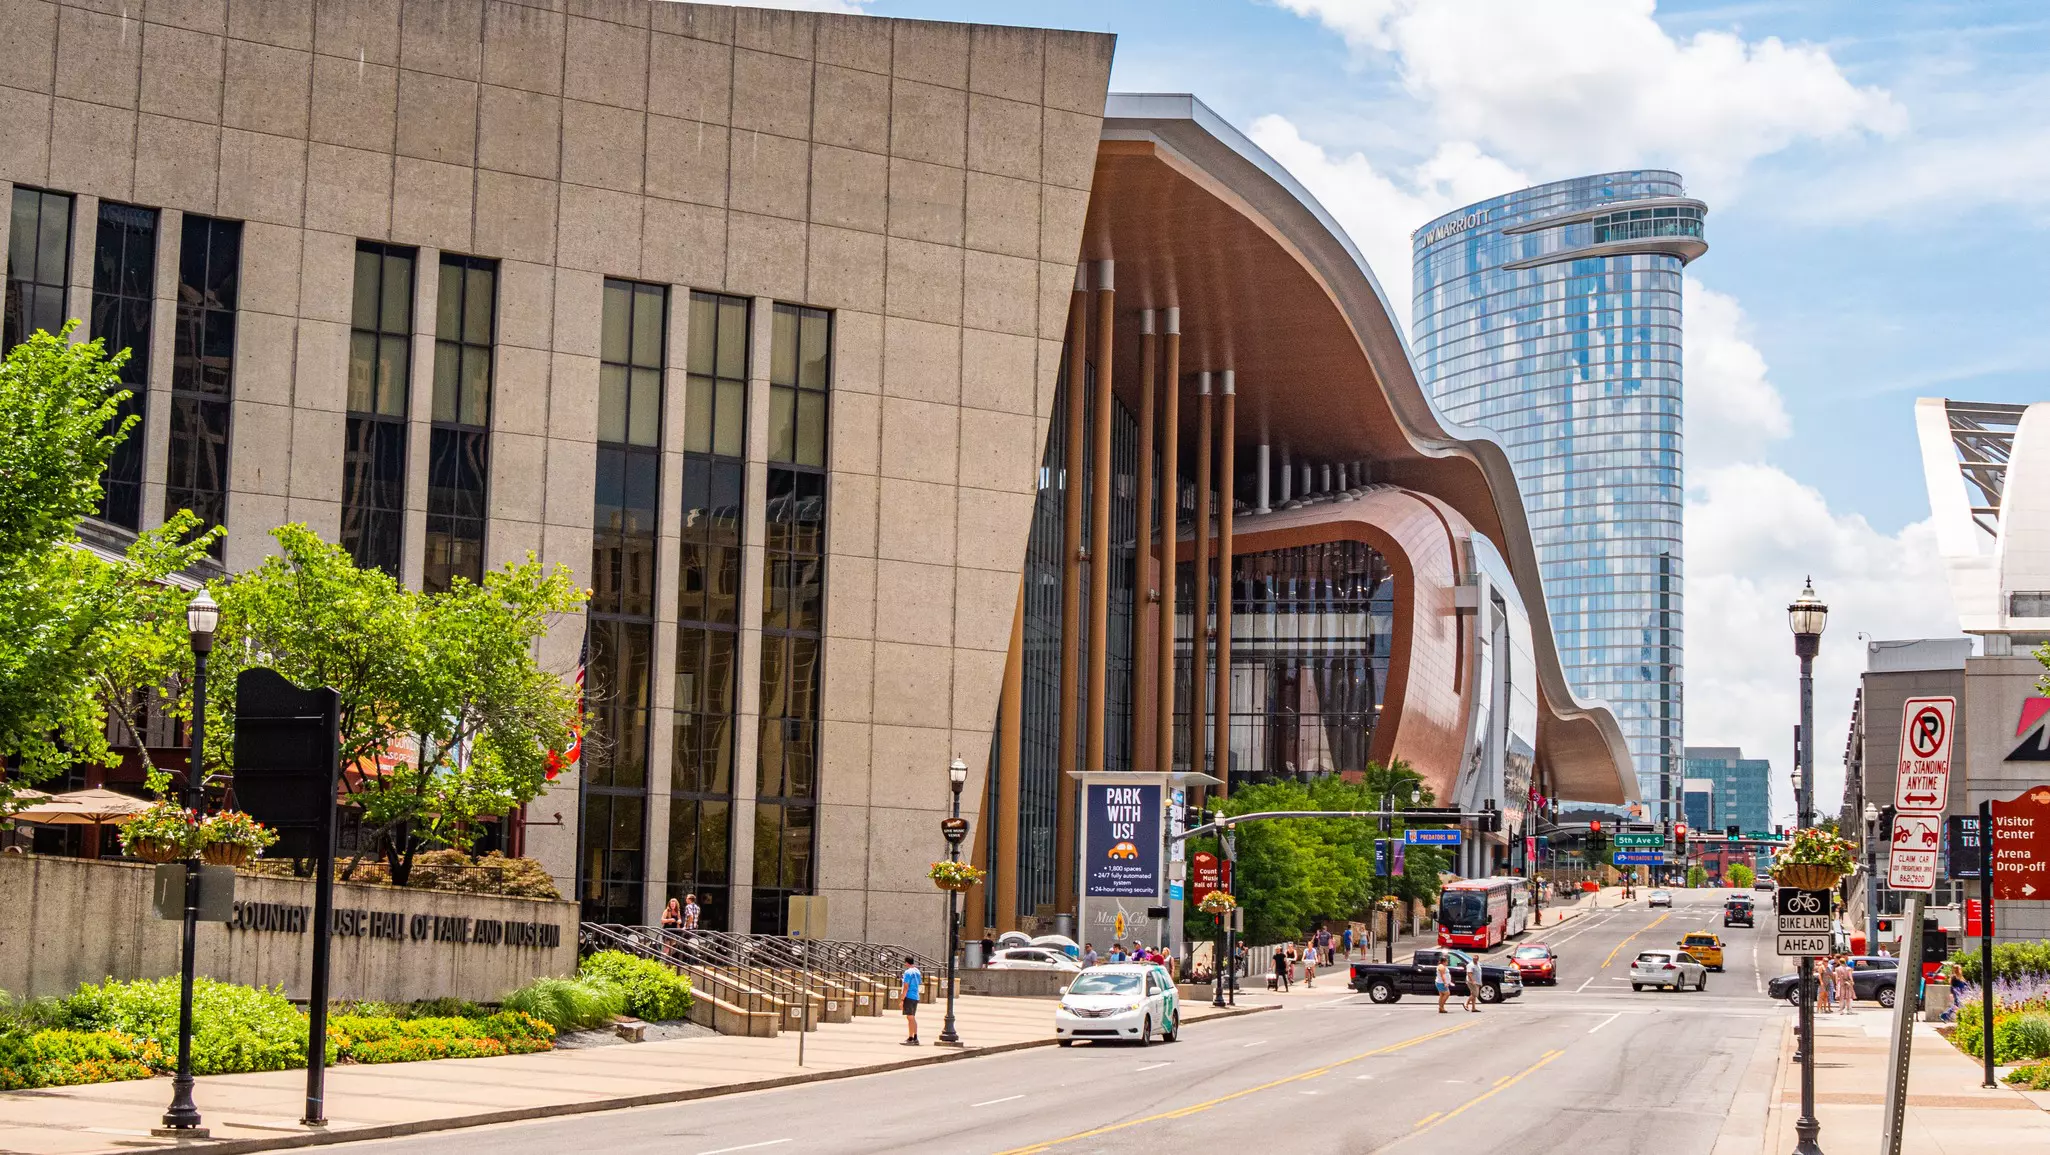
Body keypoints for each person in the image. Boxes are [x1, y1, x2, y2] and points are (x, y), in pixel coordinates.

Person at [901, 955, 923, 1045]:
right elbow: (919, 982)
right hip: (915, 996)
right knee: (911, 1017)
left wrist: (902, 999)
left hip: (909, 996)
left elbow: (906, 986)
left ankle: (915, 1037)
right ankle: (911, 1037)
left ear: (906, 962)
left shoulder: (907, 972)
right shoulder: (917, 971)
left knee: (910, 1017)